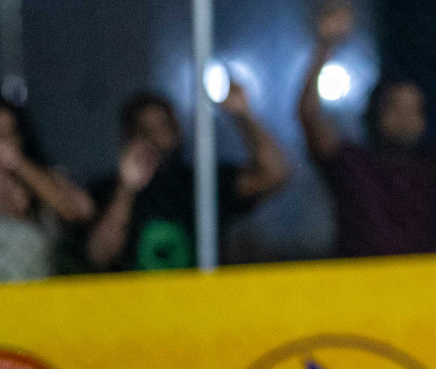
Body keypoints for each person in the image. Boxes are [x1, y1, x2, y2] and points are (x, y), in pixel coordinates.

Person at [298, 0, 436, 257]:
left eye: (415, 110)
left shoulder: (434, 163)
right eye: (395, 108)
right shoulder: (351, 164)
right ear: (375, 114)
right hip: (356, 290)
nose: (405, 119)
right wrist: (325, 44)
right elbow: (309, 115)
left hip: (423, 290)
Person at [83, 85, 289, 271]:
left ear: (177, 130)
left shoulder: (202, 184)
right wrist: (125, 189)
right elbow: (99, 257)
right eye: (144, 130)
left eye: (163, 127)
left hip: (199, 306)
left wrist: (243, 116)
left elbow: (274, 173)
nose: (155, 138)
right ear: (128, 138)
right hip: (134, 309)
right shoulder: (109, 192)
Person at [0, 99, 94, 281]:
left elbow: (81, 210)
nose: (4, 143)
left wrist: (18, 163)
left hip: (43, 300)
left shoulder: (40, 179)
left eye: (10, 134)